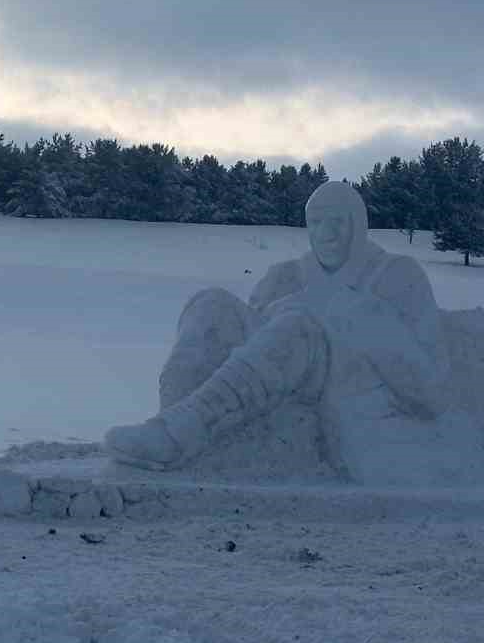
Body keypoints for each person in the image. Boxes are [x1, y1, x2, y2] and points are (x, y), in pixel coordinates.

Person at [104, 181, 451, 475]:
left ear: (358, 225)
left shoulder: (397, 276)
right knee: (211, 302)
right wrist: (283, 308)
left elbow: (431, 392)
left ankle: (181, 432)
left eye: (337, 222)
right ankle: (168, 427)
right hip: (274, 379)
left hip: (340, 386)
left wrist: (364, 320)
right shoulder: (287, 276)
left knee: (297, 325)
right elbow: (250, 341)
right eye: (316, 222)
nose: (326, 234)